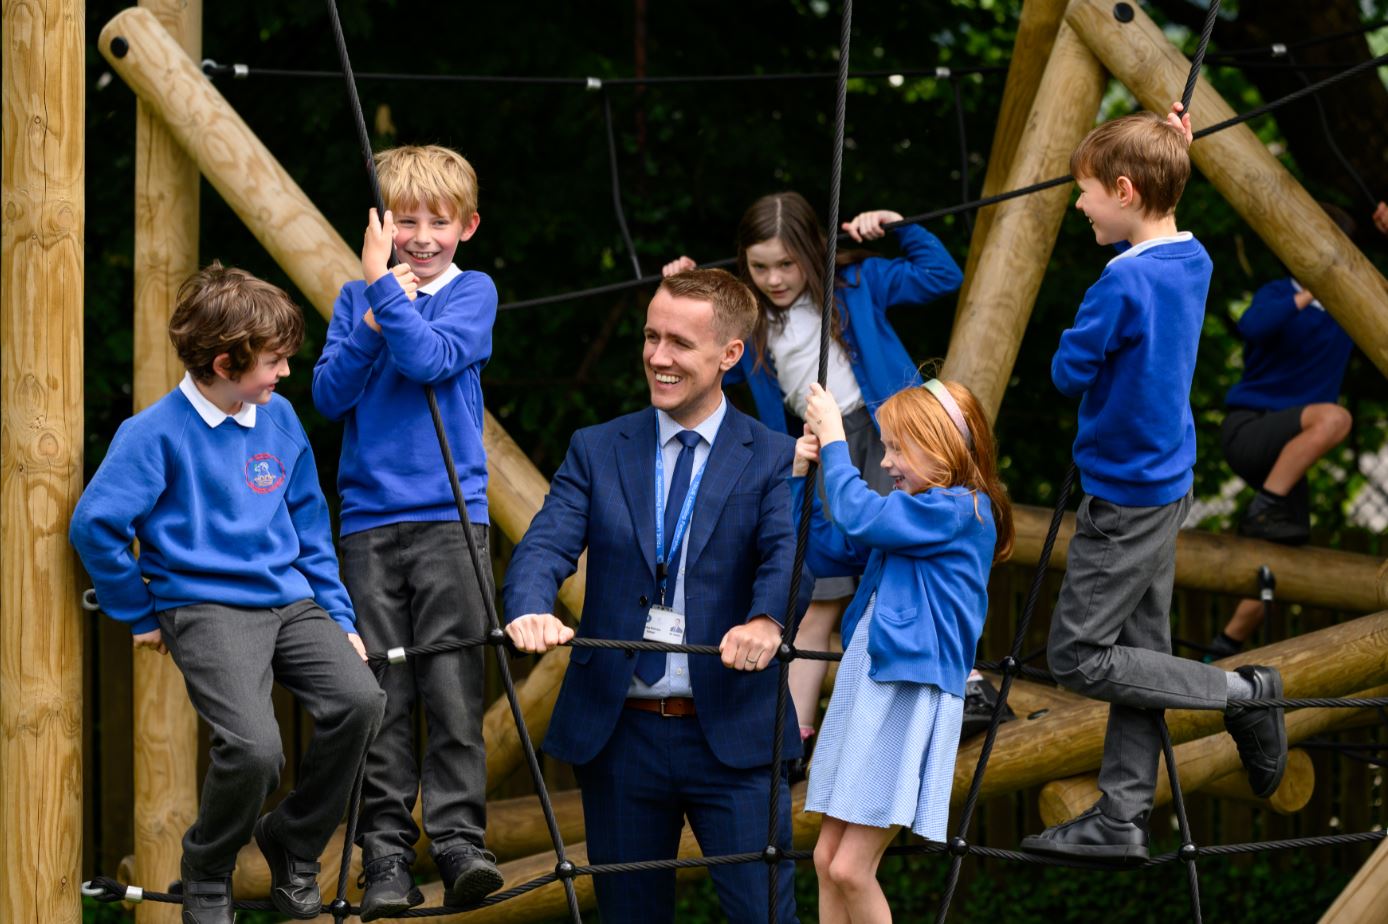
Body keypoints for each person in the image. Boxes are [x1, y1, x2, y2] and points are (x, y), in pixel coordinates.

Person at [70, 263, 386, 924]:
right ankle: (208, 866)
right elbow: (96, 525)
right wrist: (138, 611)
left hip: (290, 599)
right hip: (207, 606)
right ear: (224, 363)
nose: (286, 373)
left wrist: (338, 616)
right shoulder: (153, 434)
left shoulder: (279, 419)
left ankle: (294, 840)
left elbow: (310, 527)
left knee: (361, 700)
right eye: (274, 361)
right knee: (254, 750)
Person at [1018, 104, 1289, 865]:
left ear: (1125, 191)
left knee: (1078, 656)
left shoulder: (1119, 285)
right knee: (1142, 652)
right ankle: (1122, 814)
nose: (1080, 204)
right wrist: (1171, 143)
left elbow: (1066, 372)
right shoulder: (1192, 261)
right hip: (1166, 483)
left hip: (1124, 497)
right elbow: (1157, 220)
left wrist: (1162, 148)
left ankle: (1245, 695)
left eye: (1087, 191)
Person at [502, 269, 804, 924]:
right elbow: (546, 543)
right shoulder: (597, 447)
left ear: (729, 354)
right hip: (619, 735)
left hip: (736, 732)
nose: (658, 356)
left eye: (680, 343)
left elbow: (791, 554)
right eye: (650, 336)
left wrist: (766, 621)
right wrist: (529, 605)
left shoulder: (775, 455)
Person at [661, 193, 991, 752]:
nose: (774, 278)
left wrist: (898, 227)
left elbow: (942, 275)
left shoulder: (855, 284)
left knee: (911, 561)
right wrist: (685, 291)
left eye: (786, 264)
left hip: (889, 437)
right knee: (815, 592)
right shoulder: (748, 318)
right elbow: (703, 360)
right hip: (819, 445)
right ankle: (793, 736)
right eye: (759, 266)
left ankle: (969, 686)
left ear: (813, 252)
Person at [311, 145, 502, 918]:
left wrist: (384, 292)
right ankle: (385, 853)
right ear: (381, 227)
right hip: (368, 523)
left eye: (438, 223)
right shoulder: (354, 299)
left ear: (467, 227)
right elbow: (329, 395)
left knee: (452, 686)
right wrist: (368, 310)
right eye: (405, 222)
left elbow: (429, 361)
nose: (421, 237)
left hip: (451, 519)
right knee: (380, 694)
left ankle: (458, 843)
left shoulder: (472, 293)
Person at [792, 378, 1013, 924]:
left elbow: (860, 516)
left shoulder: (962, 510)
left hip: (906, 693)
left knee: (851, 868)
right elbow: (827, 548)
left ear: (942, 448)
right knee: (825, 860)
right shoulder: (911, 513)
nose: (887, 461)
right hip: (869, 686)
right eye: (886, 447)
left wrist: (836, 439)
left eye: (897, 448)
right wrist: (804, 480)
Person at [1206, 203, 1371, 661]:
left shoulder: (1347, 313)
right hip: (1251, 430)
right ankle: (1264, 509)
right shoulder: (1280, 293)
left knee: (1284, 556)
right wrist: (1309, 290)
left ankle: (1223, 647)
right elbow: (1253, 326)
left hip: (1288, 457)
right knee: (1336, 419)